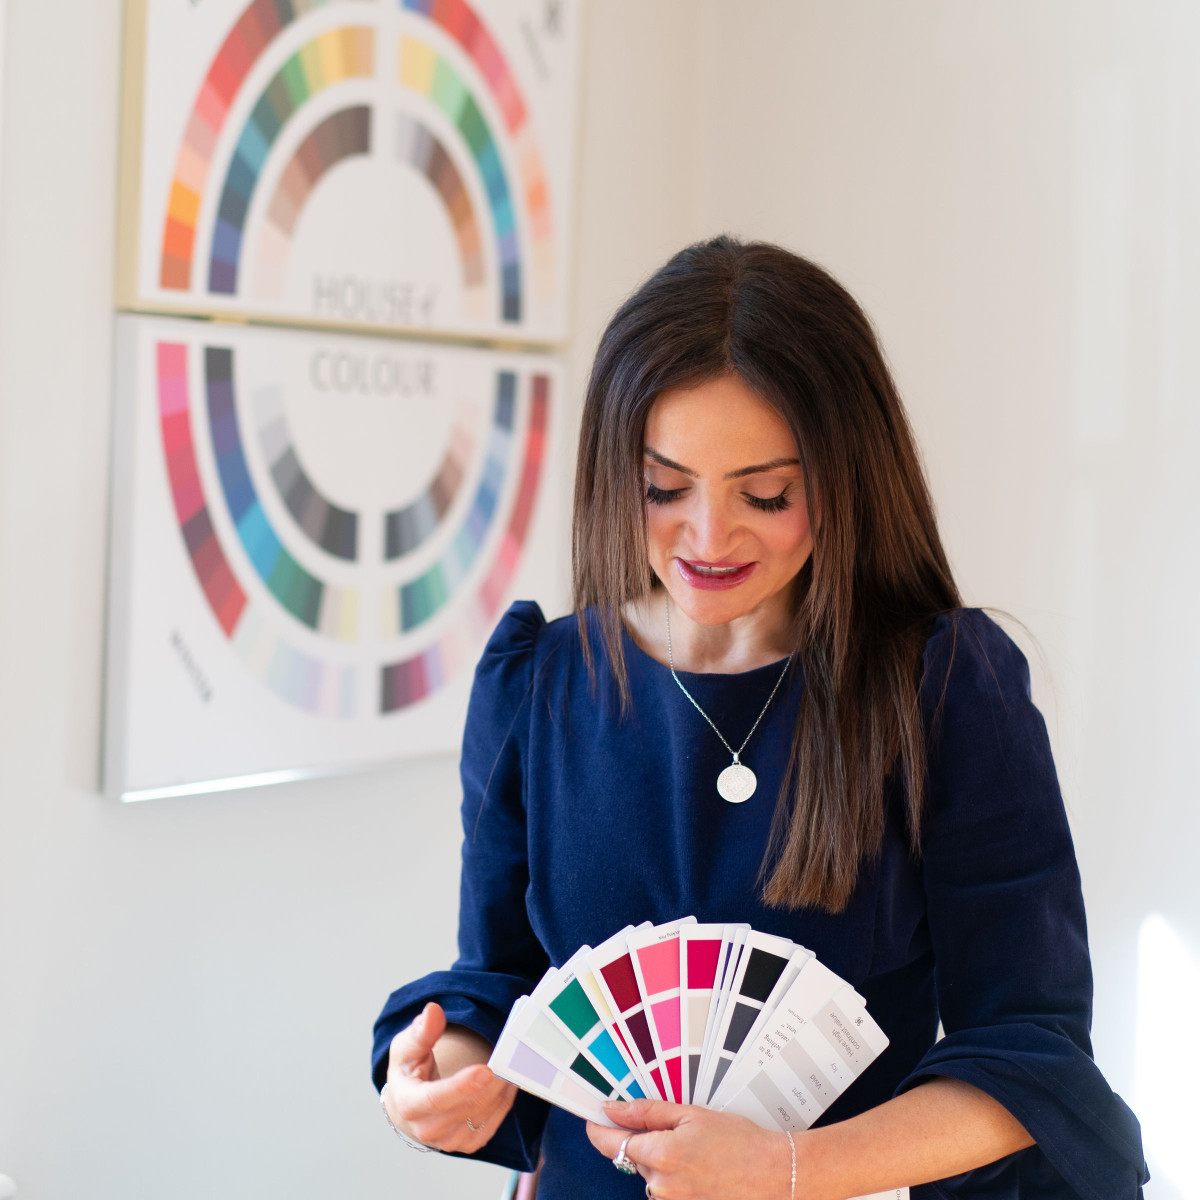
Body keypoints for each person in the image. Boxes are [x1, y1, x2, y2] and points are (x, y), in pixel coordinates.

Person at [372, 237, 1148, 1199]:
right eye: (664, 487)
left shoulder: (945, 688)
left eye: (767, 493)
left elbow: (1032, 1054)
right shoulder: (537, 682)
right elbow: (499, 984)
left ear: (846, 478)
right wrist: (441, 1076)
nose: (707, 536)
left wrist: (786, 1169)